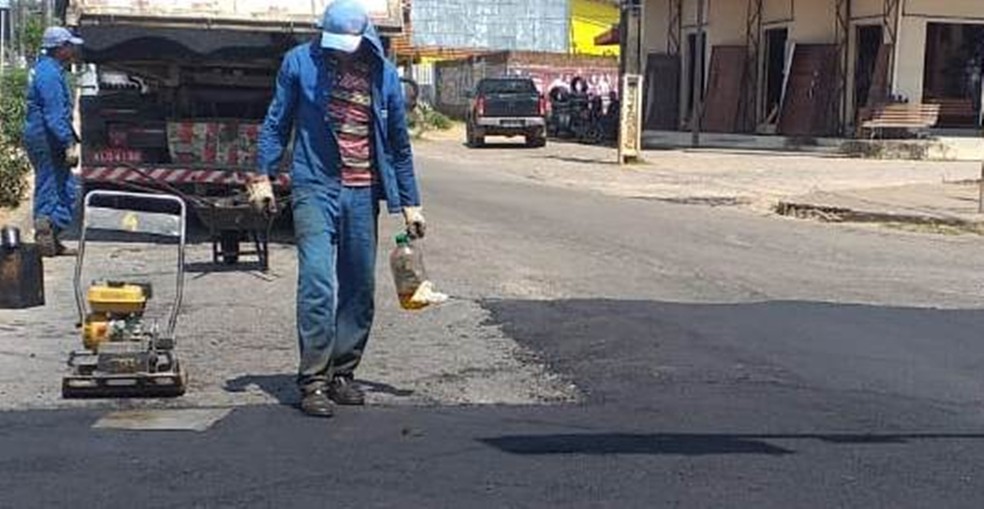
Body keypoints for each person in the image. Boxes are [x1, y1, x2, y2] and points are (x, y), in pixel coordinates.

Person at [251, 0, 426, 418]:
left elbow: (399, 146)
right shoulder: (299, 63)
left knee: (359, 285)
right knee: (316, 280)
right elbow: (277, 121)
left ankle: (342, 373)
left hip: (363, 192)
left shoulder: (382, 73)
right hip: (316, 185)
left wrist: (412, 205)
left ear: (364, 38)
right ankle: (312, 379)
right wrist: (262, 175)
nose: (339, 51)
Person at [23, 27, 84, 257]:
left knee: (64, 187)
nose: (73, 49)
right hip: (47, 138)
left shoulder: (48, 69)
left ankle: (52, 235)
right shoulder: (48, 74)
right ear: (60, 48)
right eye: (69, 45)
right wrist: (67, 141)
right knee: (52, 186)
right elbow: (54, 114)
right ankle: (45, 233)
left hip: (45, 135)